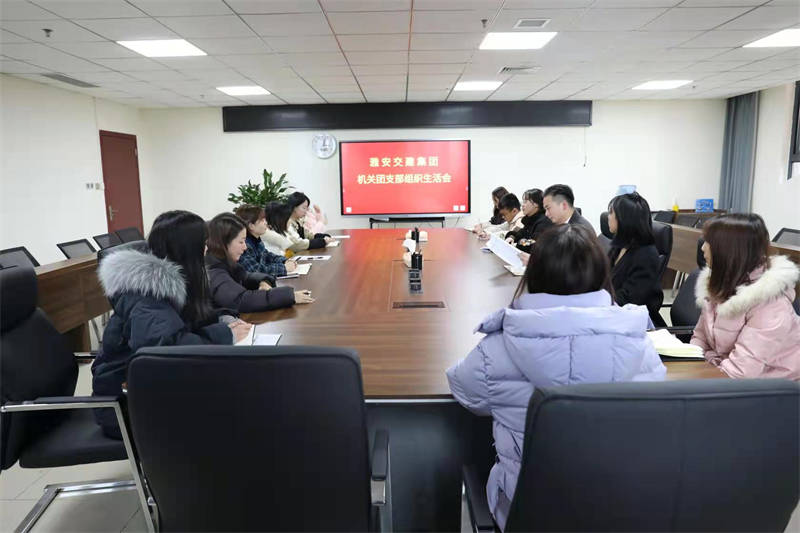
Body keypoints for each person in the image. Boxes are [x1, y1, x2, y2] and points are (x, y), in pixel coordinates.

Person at [447, 224, 665, 530]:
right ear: (601, 275)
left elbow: (464, 390)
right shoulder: (638, 342)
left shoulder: (499, 347)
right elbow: (653, 411)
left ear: (534, 274)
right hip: (619, 511)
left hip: (527, 513)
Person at [92, 210, 251, 438]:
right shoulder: (146, 295)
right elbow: (165, 351)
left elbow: (184, 322)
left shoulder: (166, 284)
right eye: (202, 244)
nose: (206, 249)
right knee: (239, 409)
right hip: (126, 406)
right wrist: (225, 335)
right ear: (186, 248)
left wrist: (222, 318)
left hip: (150, 391)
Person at [691, 214, 800, 380]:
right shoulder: (719, 284)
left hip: (772, 388)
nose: (703, 248)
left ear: (729, 250)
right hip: (724, 375)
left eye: (708, 242)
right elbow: (700, 338)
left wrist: (706, 366)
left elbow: (741, 372)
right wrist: (695, 362)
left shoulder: (771, 304)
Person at [206, 212, 314, 313]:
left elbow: (246, 276)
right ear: (224, 243)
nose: (245, 247)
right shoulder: (213, 270)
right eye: (241, 242)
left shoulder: (226, 262)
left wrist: (262, 281)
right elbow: (242, 300)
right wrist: (288, 296)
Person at [607, 192, 665, 327]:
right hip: (615, 314)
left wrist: (598, 302)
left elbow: (630, 299)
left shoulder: (646, 255)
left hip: (638, 323)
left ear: (624, 219)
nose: (607, 217)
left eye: (610, 213)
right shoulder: (618, 246)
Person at [234, 204, 297, 277]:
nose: (266, 223)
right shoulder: (244, 245)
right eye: (262, 220)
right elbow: (256, 271)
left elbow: (268, 256)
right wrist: (284, 268)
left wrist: (285, 260)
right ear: (251, 226)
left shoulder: (257, 240)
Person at [504, 188, 552, 253]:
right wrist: (511, 237)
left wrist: (518, 243)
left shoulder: (543, 222)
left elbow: (532, 243)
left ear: (536, 204)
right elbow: (520, 234)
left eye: (525, 202)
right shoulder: (530, 219)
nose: (522, 205)